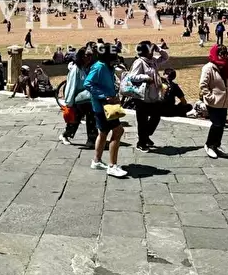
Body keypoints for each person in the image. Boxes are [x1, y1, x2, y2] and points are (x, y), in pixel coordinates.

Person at [83, 42, 127, 178]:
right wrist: (105, 96)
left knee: (103, 133)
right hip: (104, 106)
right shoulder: (99, 67)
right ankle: (112, 166)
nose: (117, 57)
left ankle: (96, 161)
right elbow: (87, 83)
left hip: (104, 105)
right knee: (118, 131)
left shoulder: (107, 66)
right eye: (115, 54)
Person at [127, 41, 167, 152]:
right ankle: (141, 143)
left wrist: (159, 49)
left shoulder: (153, 61)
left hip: (153, 95)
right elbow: (132, 76)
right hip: (141, 96)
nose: (152, 52)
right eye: (150, 50)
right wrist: (145, 77)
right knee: (142, 120)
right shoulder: (139, 62)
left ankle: (145, 135)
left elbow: (165, 57)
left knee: (156, 117)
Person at [198, 45, 228, 159]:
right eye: (221, 54)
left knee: (222, 125)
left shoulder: (227, 67)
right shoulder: (208, 67)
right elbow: (203, 85)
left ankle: (216, 145)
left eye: (225, 53)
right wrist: (210, 97)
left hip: (225, 101)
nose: (224, 56)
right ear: (216, 54)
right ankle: (209, 145)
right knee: (216, 124)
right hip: (214, 102)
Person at [59, 48, 96, 146]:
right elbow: (71, 86)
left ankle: (91, 140)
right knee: (75, 120)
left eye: (91, 55)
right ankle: (65, 135)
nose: (89, 58)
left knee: (91, 118)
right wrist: (69, 103)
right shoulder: (76, 69)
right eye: (87, 55)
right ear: (82, 56)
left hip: (87, 98)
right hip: (77, 99)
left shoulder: (88, 68)